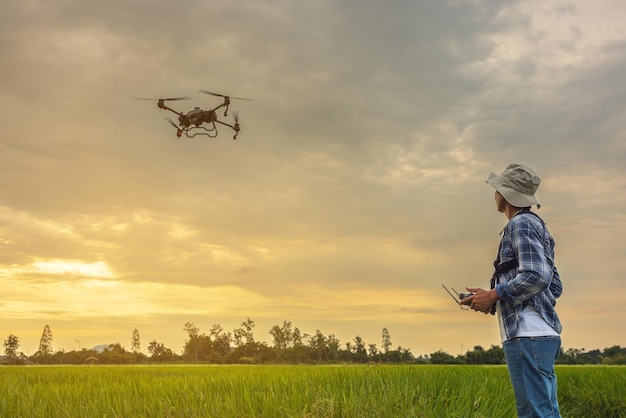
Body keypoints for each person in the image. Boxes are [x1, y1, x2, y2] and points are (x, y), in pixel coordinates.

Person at [461, 163, 563, 418]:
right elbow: (554, 285)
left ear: (504, 195)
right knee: (543, 411)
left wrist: (495, 294)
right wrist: (491, 298)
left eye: (497, 189)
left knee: (535, 413)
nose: (494, 194)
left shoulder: (520, 225)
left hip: (527, 333)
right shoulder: (538, 226)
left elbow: (537, 276)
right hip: (539, 333)